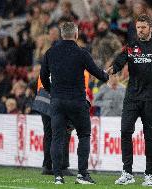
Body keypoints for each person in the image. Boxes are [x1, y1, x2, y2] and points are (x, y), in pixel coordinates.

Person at [106, 14, 152, 186]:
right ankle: (127, 172)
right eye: (138, 28)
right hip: (132, 98)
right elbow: (120, 61)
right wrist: (113, 69)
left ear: (150, 28)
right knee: (125, 131)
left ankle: (149, 174)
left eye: (143, 27)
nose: (140, 30)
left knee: (150, 137)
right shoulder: (131, 46)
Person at [40, 22, 109, 185]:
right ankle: (82, 175)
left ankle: (57, 176)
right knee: (84, 135)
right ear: (76, 34)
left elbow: (43, 77)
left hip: (57, 102)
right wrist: (106, 75)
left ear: (61, 35)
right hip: (77, 102)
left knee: (57, 137)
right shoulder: (81, 53)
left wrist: (53, 92)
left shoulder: (50, 53)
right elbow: (98, 74)